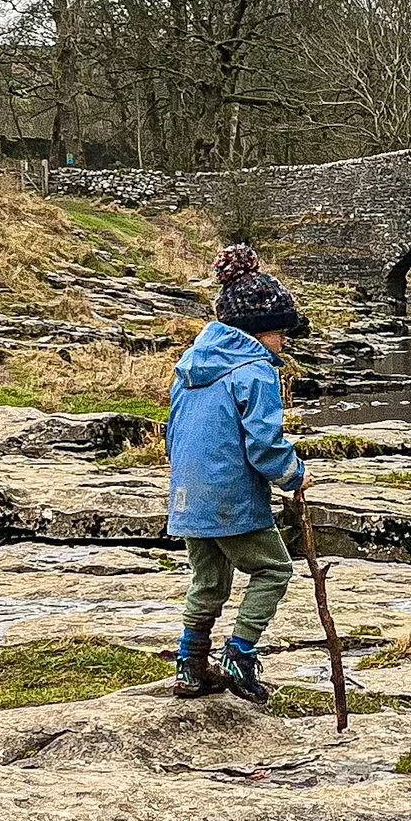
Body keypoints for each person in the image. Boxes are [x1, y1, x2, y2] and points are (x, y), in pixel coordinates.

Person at [167, 242, 310, 704]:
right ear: (260, 329)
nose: (285, 341)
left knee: (208, 581)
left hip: (188, 491)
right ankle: (240, 654)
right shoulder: (256, 372)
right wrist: (293, 475)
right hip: (232, 495)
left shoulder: (190, 368)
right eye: (281, 331)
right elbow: (264, 444)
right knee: (273, 570)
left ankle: (190, 665)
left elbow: (173, 431)